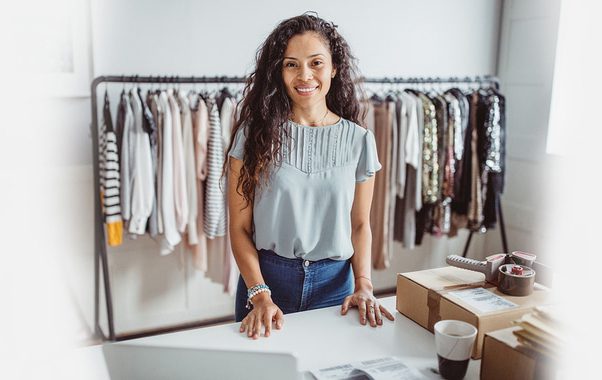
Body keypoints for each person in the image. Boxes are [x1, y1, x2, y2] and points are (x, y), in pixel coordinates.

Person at [224, 12, 394, 340]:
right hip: (267, 284)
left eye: (316, 63)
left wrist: (364, 285)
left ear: (334, 68)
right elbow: (239, 228)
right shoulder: (253, 135)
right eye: (291, 64)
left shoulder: (359, 140)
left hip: (337, 288)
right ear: (279, 72)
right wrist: (259, 294)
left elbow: (360, 226)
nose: (305, 75)